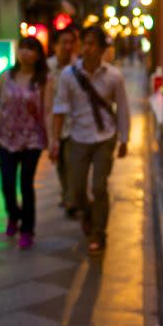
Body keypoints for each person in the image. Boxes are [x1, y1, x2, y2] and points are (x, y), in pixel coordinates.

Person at [51, 26, 130, 253]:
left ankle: (98, 233)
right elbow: (59, 108)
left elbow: (122, 108)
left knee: (99, 186)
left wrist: (124, 139)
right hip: (78, 137)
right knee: (75, 191)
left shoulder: (113, 76)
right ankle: (88, 213)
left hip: (105, 137)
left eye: (92, 43)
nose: (87, 48)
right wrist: (55, 140)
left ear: (102, 49)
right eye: (84, 43)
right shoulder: (68, 75)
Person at [0, 37, 49, 250]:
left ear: (38, 55)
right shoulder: (6, 76)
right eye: (22, 48)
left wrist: (53, 141)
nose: (25, 53)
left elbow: (48, 111)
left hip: (32, 138)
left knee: (25, 184)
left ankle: (27, 229)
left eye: (30, 49)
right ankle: (13, 216)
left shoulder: (43, 80)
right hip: (7, 137)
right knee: (6, 184)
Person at [45, 26, 78, 217]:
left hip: (74, 125)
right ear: (55, 45)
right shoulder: (47, 68)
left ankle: (72, 198)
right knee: (61, 163)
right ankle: (67, 194)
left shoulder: (78, 67)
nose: (67, 46)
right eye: (63, 42)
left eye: (70, 42)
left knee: (72, 161)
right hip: (54, 125)